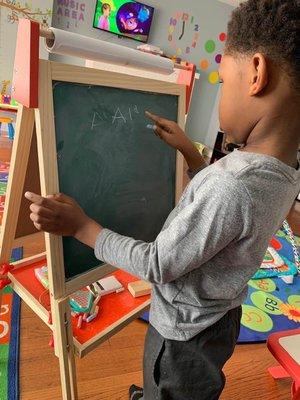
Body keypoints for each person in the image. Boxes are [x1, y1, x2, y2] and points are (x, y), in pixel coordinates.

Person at [25, 0, 300, 398]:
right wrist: (191, 154)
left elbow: (158, 263)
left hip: (183, 333)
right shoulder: (285, 174)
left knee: (170, 386)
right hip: (220, 317)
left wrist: (83, 228)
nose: (221, 91)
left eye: (223, 81)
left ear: (256, 73)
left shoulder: (229, 185)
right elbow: (230, 218)